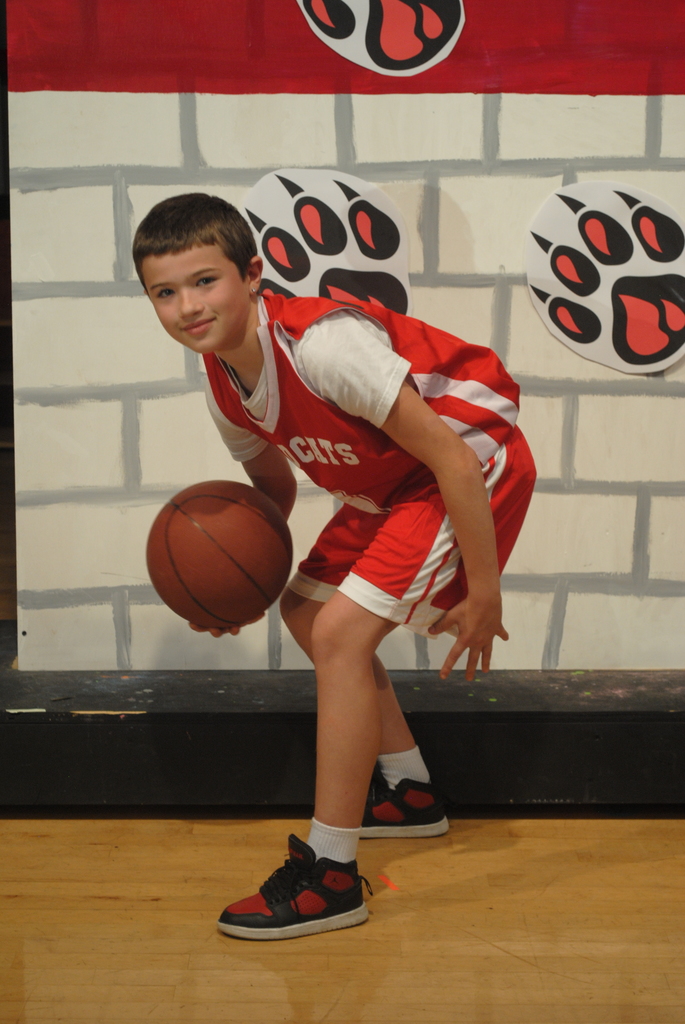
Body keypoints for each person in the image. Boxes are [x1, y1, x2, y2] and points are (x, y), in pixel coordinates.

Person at [133, 193, 536, 941]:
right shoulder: (223, 380)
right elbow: (274, 490)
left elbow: (450, 455)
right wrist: (239, 590)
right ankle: (410, 790)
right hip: (392, 483)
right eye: (165, 291)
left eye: (204, 281)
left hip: (465, 462)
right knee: (305, 611)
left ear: (253, 275)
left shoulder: (323, 346)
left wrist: (484, 593)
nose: (187, 306)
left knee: (342, 636)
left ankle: (330, 875)